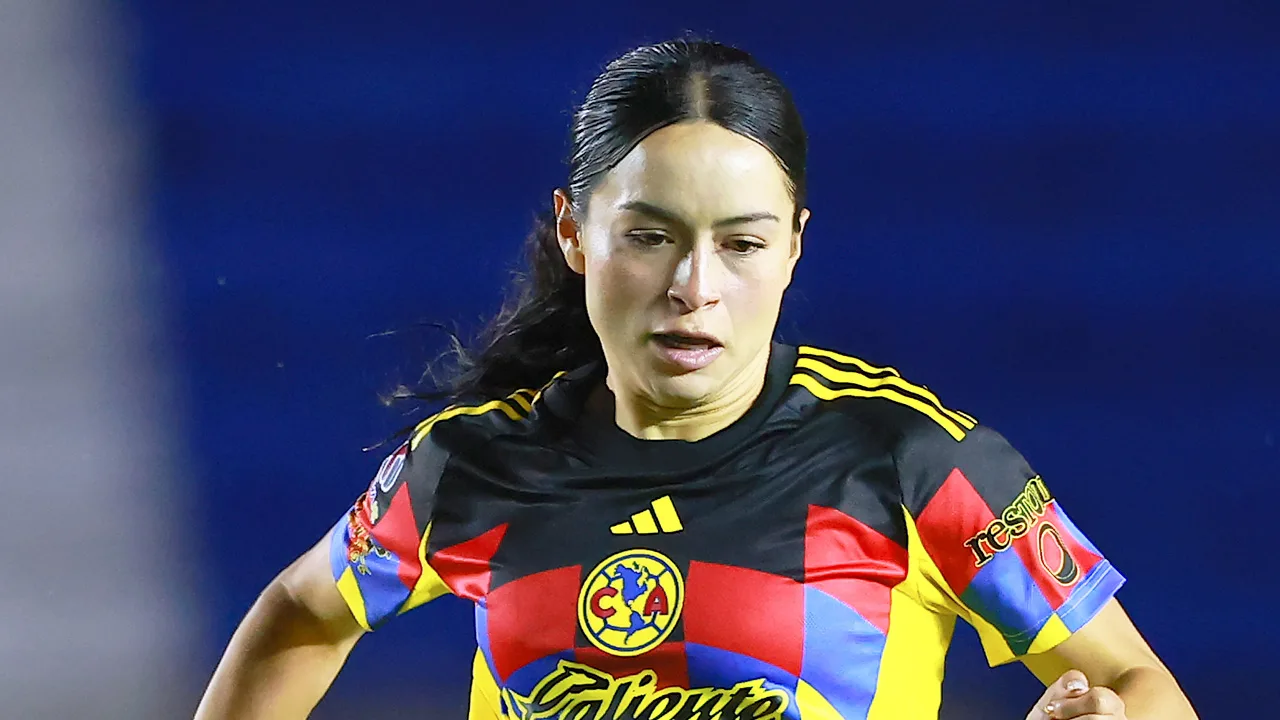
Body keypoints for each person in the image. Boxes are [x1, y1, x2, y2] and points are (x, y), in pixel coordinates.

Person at [194, 39, 1198, 720]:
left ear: (795, 246)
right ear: (572, 233)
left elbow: (1133, 678)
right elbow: (301, 610)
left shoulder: (908, 460)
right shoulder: (471, 464)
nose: (693, 288)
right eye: (649, 237)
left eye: (741, 243)